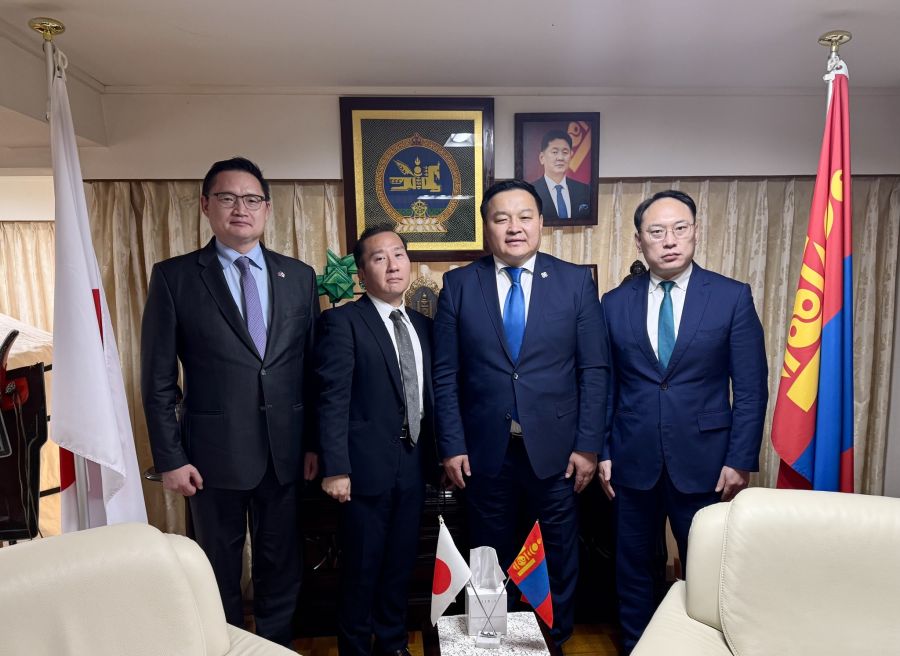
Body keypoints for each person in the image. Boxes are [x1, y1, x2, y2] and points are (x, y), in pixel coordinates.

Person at [140, 156, 319, 647]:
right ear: (206, 205)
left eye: (252, 199)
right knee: (215, 570)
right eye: (227, 198)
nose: (241, 208)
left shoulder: (298, 277)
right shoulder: (175, 277)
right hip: (210, 458)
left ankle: (275, 648)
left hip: (286, 454)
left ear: (267, 208)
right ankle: (225, 646)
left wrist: (313, 444)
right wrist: (170, 458)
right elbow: (157, 379)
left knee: (281, 566)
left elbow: (309, 372)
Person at [433, 179, 609, 644]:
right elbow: (445, 375)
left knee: (555, 554)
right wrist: (451, 444)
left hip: (558, 453)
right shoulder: (459, 285)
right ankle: (496, 643)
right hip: (483, 453)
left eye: (524, 216)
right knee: (488, 556)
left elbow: (594, 370)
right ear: (486, 227)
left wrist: (588, 446)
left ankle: (552, 641)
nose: (514, 227)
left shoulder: (574, 282)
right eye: (501, 218)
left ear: (541, 222)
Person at [598, 189, 768, 653]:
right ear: (639, 241)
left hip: (707, 461)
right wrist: (603, 450)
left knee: (706, 568)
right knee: (633, 566)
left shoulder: (731, 297)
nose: (669, 240)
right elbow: (606, 385)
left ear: (695, 232)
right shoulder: (614, 303)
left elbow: (750, 388)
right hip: (632, 459)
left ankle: (700, 646)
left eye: (679, 228)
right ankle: (638, 645)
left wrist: (740, 458)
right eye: (656, 232)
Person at [315, 226, 435, 656]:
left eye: (398, 255)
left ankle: (392, 643)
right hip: (363, 469)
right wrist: (335, 467)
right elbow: (332, 399)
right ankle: (355, 650)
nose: (392, 265)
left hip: (414, 461)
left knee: (400, 564)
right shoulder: (343, 322)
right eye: (379, 258)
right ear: (363, 273)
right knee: (361, 570)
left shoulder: (424, 325)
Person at [530, 129, 592, 221]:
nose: (560, 158)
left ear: (571, 156)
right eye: (555, 152)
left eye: (565, 152)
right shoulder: (530, 191)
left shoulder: (584, 190)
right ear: (542, 158)